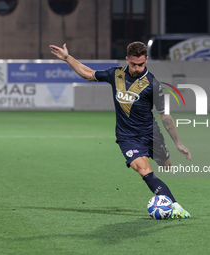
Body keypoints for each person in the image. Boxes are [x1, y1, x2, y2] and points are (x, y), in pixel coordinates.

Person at [49, 42, 191, 218]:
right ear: (127, 60)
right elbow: (89, 74)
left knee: (167, 167)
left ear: (146, 59)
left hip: (151, 133)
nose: (137, 68)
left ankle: (164, 187)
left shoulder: (153, 84)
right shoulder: (115, 74)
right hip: (128, 137)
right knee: (144, 170)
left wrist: (178, 143)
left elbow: (165, 116)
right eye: (133, 64)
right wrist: (67, 58)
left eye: (141, 64)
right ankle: (175, 205)